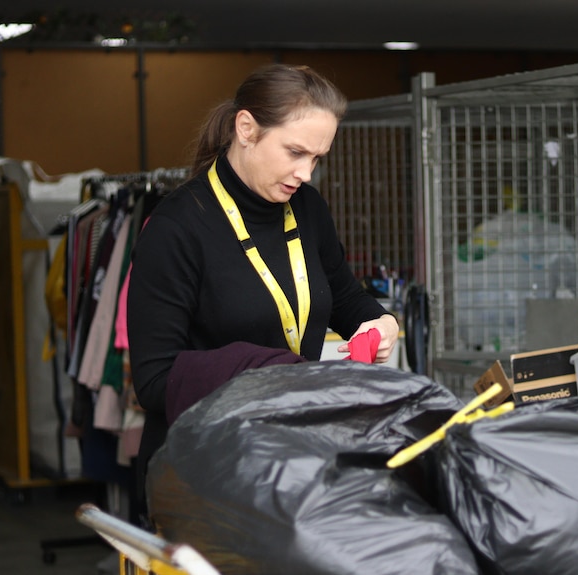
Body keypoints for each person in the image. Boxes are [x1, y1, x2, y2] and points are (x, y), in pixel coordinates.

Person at [127, 63, 399, 520]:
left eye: (316, 158)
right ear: (247, 128)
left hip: (291, 461)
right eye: (294, 152)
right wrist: (281, 372)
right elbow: (154, 381)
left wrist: (380, 321)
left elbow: (344, 296)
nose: (305, 174)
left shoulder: (307, 208)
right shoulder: (176, 228)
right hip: (204, 474)